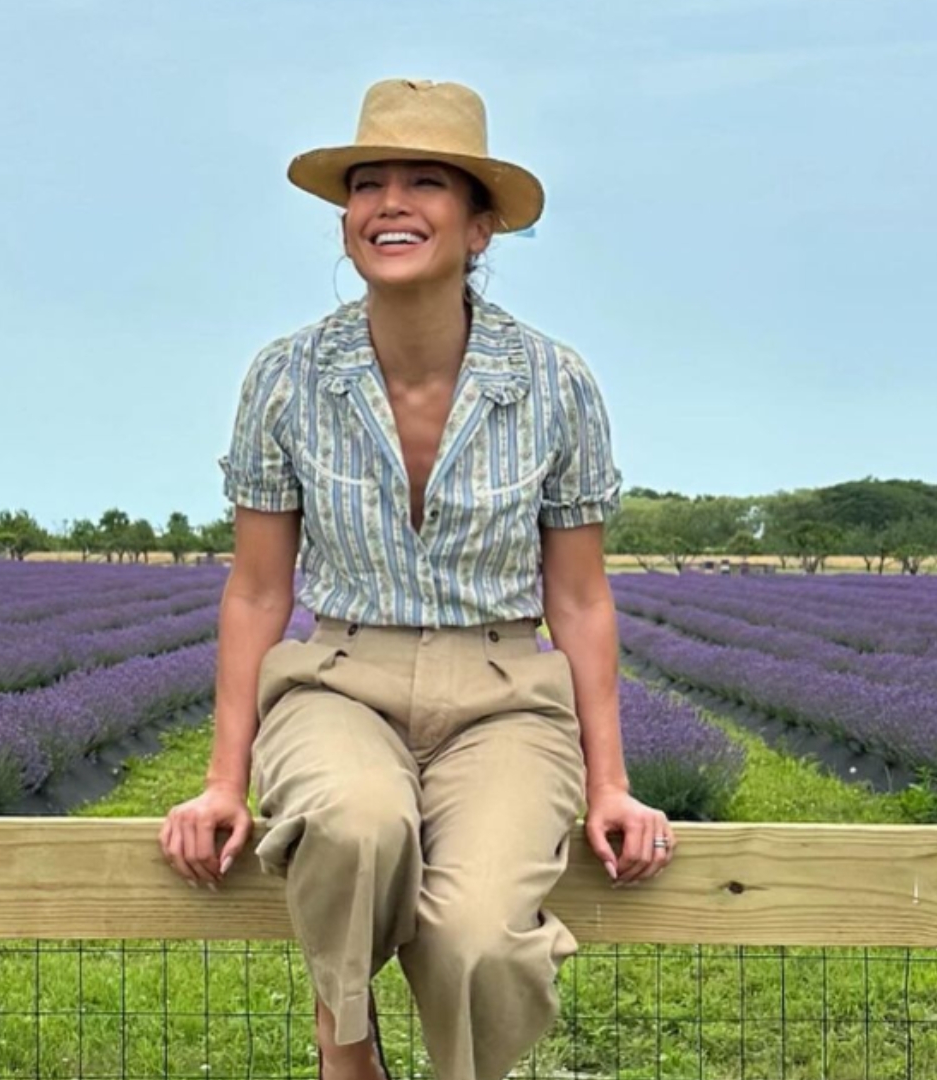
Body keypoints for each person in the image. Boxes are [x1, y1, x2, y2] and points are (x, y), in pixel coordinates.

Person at [160, 77, 677, 1080]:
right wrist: (225, 780)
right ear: (347, 219)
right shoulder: (286, 377)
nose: (389, 203)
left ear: (481, 226)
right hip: (337, 682)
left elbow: (577, 599)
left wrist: (611, 783)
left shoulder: (555, 383)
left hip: (506, 704)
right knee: (354, 825)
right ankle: (344, 1046)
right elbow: (260, 592)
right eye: (369, 183)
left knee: (480, 937)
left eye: (426, 182)